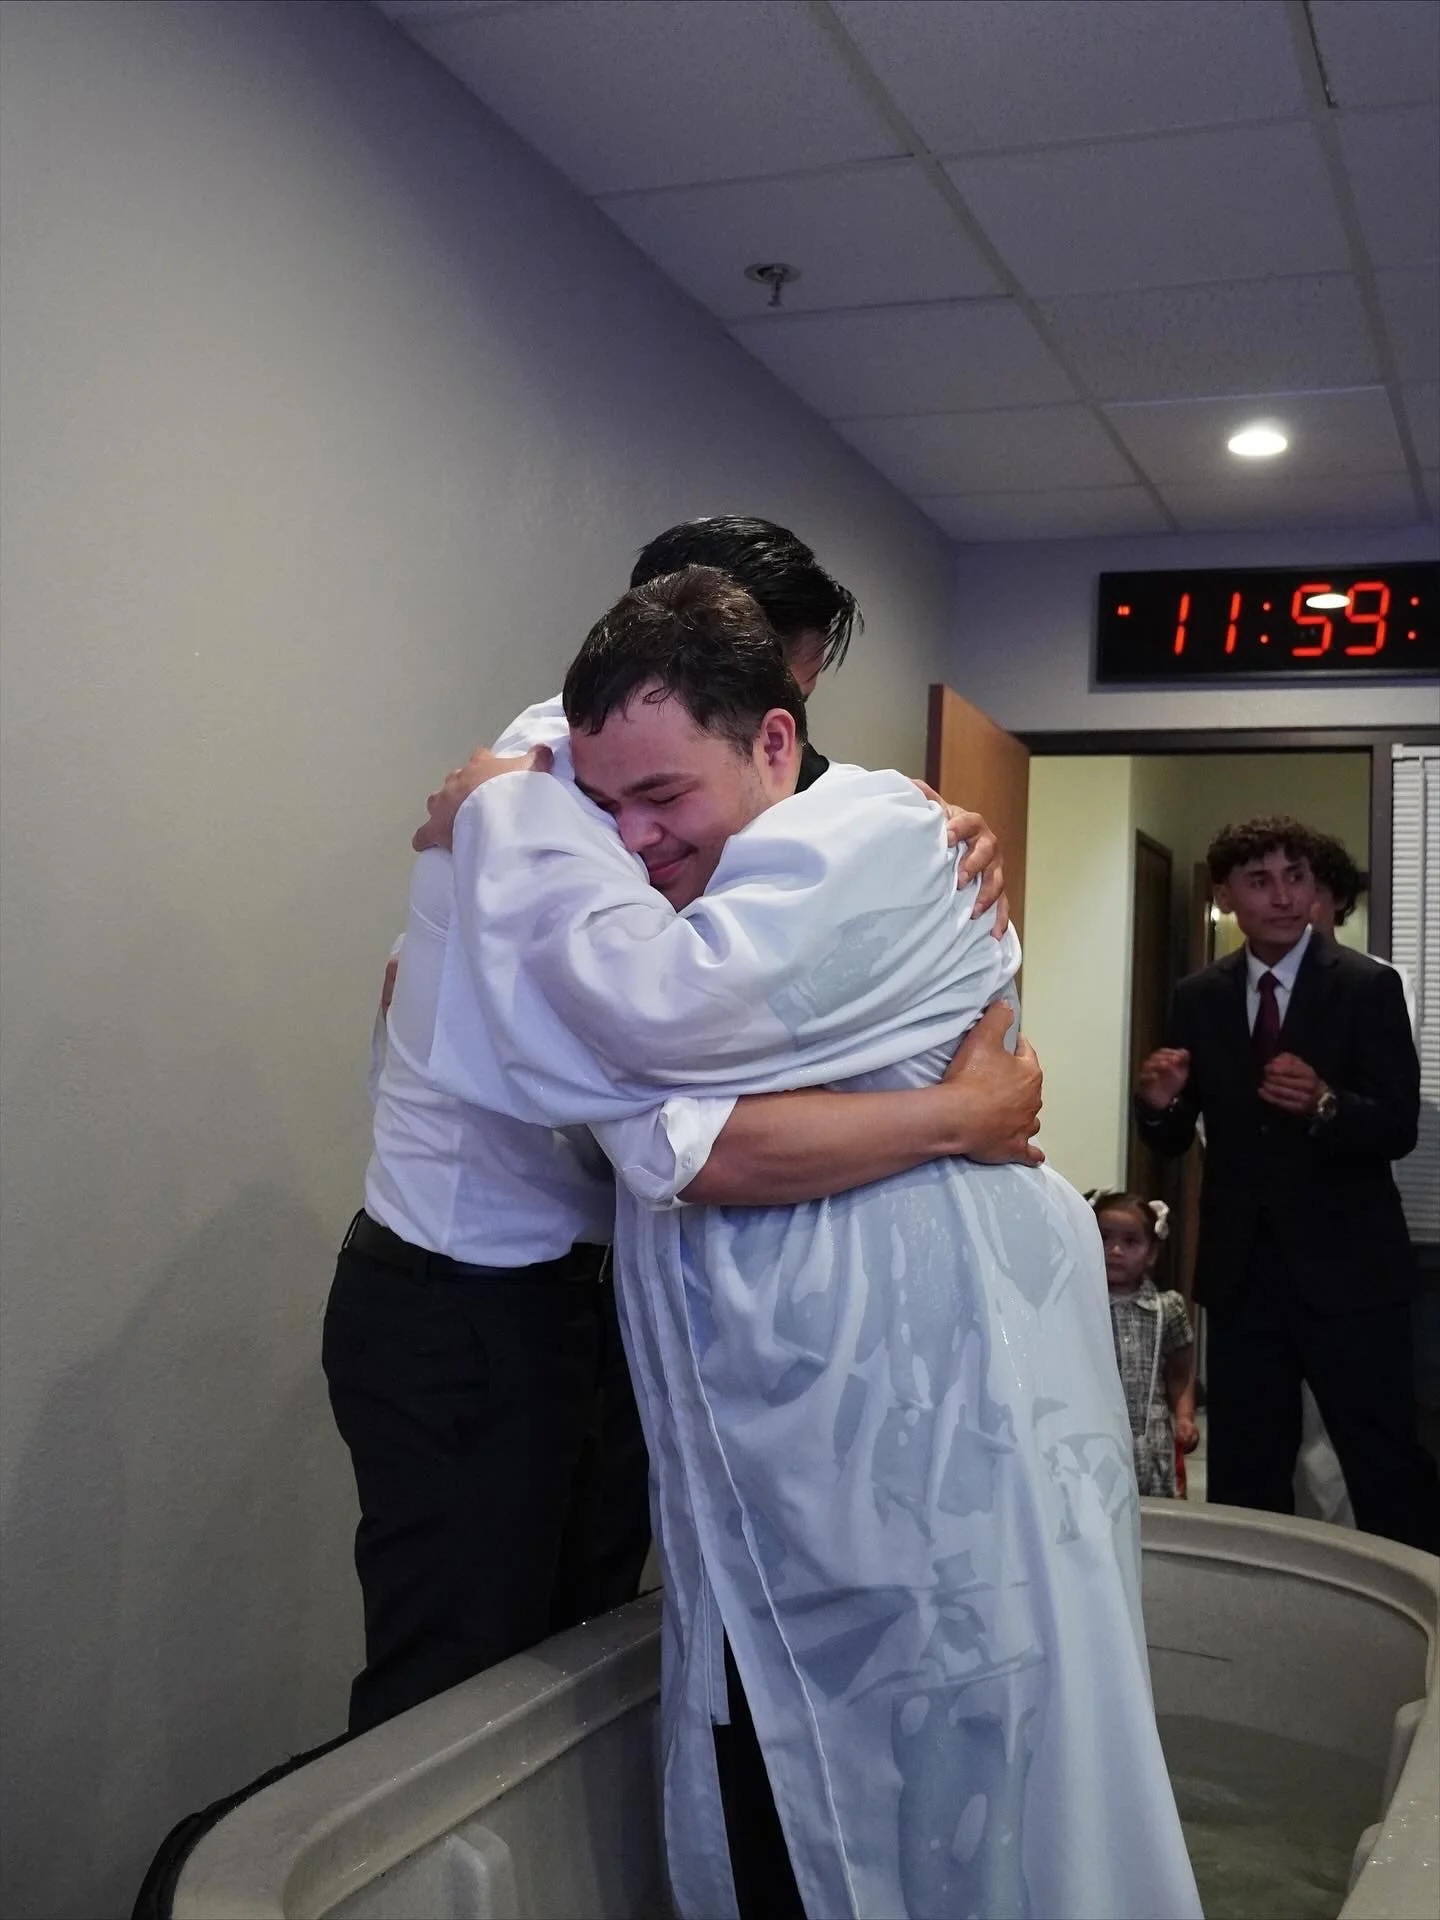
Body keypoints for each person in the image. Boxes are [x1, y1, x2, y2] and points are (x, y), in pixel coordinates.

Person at [426, 567, 1202, 1920]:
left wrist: (507, 809)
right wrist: (958, 1114)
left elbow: (680, 1096)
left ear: (777, 738)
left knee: (958, 1783)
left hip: (926, 1407)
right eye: (604, 809)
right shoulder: (727, 869)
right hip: (821, 1430)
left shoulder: (878, 843)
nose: (635, 839)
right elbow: (669, 1124)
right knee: (849, 1771)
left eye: (664, 799)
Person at [326, 518, 1034, 1735]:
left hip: (580, 1288)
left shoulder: (695, 789)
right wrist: (957, 1113)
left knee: (572, 1666)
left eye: (799, 695)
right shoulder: (555, 786)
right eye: (779, 682)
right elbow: (678, 1112)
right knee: (450, 1694)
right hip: (467, 1295)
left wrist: (923, 825)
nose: (796, 742)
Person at [1135, 816, 1440, 1553]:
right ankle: (1258, 1632)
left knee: (1384, 1463)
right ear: (1227, 895)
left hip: (1353, 1270)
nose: (1281, 895)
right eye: (1259, 880)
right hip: (1245, 1275)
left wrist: (1327, 1103)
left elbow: (1399, 1124)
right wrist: (1162, 1105)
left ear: (1315, 891)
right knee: (1245, 1469)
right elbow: (1176, 1140)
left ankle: (1424, 1630)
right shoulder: (1198, 995)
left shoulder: (1367, 987)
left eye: (1296, 877)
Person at [1091, 1191, 1197, 1498]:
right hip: (1095, 1433)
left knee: (1151, 1520)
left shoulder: (1168, 1308)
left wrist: (1185, 1416)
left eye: (1130, 1242)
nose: (1115, 1250)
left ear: (1151, 1253)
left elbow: (1180, 1372)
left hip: (1151, 1440)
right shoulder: (1079, 1304)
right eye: (1104, 1238)